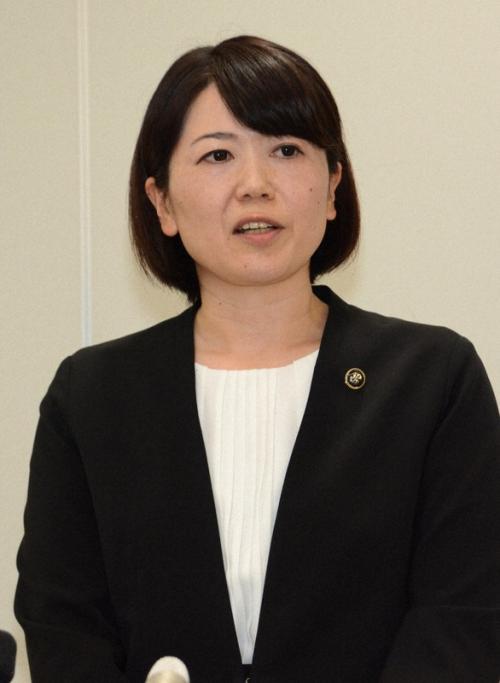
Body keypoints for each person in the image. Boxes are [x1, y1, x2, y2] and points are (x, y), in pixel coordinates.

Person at [15, 35, 500, 683]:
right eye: (217, 155)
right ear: (162, 202)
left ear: (332, 187)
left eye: (286, 150)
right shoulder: (92, 395)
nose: (255, 185)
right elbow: (64, 622)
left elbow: (463, 612)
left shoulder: (432, 379)